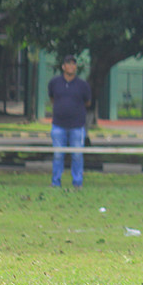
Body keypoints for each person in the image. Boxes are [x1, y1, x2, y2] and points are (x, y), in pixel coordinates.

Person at [48, 55, 92, 188]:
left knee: (77, 155)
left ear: (76, 67)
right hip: (58, 125)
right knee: (57, 155)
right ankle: (56, 182)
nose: (71, 66)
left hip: (77, 126)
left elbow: (88, 102)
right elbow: (52, 98)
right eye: (68, 64)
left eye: (73, 64)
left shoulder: (82, 85)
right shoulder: (54, 83)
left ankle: (77, 183)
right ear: (63, 66)